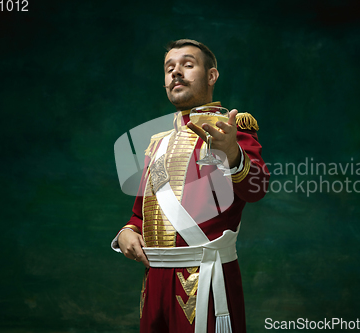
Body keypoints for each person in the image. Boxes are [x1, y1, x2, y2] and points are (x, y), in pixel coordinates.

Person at [111, 39, 270, 333]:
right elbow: (139, 216)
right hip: (154, 282)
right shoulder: (156, 143)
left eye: (187, 65)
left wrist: (232, 153)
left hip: (205, 280)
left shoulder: (231, 128)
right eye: (169, 68)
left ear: (212, 75)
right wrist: (127, 231)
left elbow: (257, 188)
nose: (176, 73)